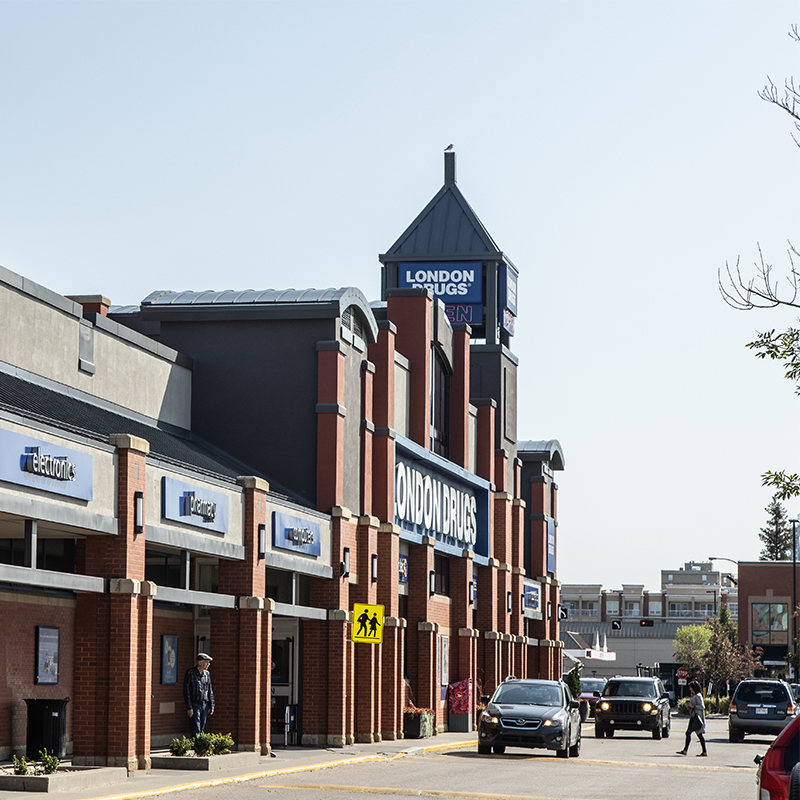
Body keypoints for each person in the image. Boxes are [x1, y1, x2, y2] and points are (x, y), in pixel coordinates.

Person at [184, 652, 215, 736]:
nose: (208, 664)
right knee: (196, 727)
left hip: (204, 704)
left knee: (201, 727)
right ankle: (196, 746)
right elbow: (186, 691)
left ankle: (200, 745)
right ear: (199, 662)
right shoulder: (190, 673)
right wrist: (189, 707)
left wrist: (211, 705)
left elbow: (209, 690)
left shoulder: (206, 674)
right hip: (195, 704)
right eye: (206, 662)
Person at [677, 680, 707, 757]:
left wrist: (693, 706)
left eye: (690, 688)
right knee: (692, 733)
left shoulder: (698, 696)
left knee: (694, 734)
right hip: (693, 716)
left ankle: (702, 751)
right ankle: (686, 750)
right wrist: (689, 706)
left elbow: (702, 706)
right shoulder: (695, 696)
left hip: (697, 717)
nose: (690, 689)